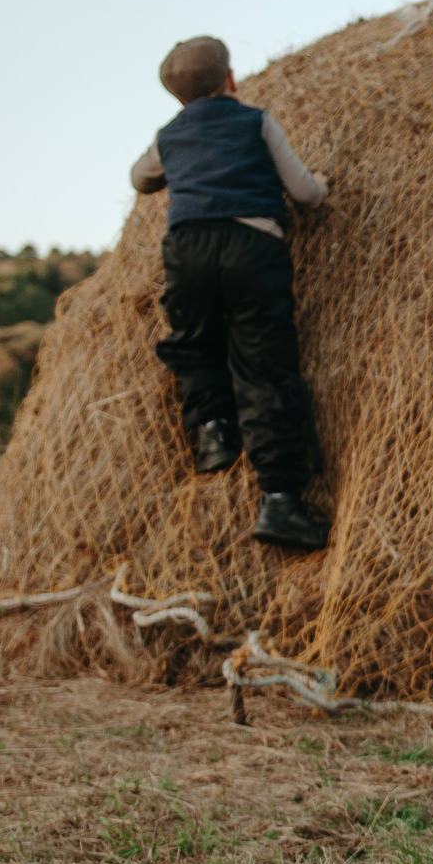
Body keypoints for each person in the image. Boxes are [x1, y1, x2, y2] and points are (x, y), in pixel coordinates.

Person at [129, 35, 332, 551]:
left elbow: (140, 178)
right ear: (232, 79)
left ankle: (214, 431)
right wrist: (324, 186)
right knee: (264, 363)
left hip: (188, 247)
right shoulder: (255, 121)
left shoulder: (170, 135)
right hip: (251, 246)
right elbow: (303, 193)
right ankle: (281, 501)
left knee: (193, 340)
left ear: (177, 98)